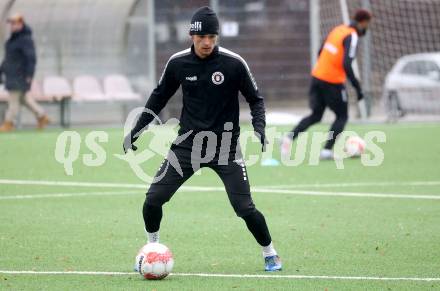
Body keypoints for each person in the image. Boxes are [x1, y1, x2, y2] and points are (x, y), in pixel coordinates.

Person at [124, 6, 282, 272]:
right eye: (201, 38)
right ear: (191, 36)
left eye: (212, 37)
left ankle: (270, 253)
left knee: (244, 207)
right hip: (188, 146)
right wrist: (137, 129)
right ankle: (152, 247)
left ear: (217, 36)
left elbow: (255, 100)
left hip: (226, 148)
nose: (207, 42)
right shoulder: (178, 63)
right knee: (153, 199)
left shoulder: (233, 63)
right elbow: (158, 97)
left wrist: (260, 127)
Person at [281, 9, 372, 159]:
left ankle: (288, 138)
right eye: (368, 24)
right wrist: (357, 88)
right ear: (363, 22)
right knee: (342, 117)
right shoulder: (352, 35)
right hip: (332, 81)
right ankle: (326, 151)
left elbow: (321, 50)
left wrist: (325, 67)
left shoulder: (338, 30)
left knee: (316, 115)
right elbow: (347, 64)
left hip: (317, 76)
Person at [0, 13, 49, 132]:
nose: (12, 26)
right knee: (24, 99)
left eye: (14, 23)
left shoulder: (25, 40)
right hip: (11, 74)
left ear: (21, 24)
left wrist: (29, 75)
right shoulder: (13, 40)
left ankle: (8, 123)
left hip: (19, 75)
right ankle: (42, 116)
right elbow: (8, 59)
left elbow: (31, 58)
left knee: (13, 100)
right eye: (11, 23)